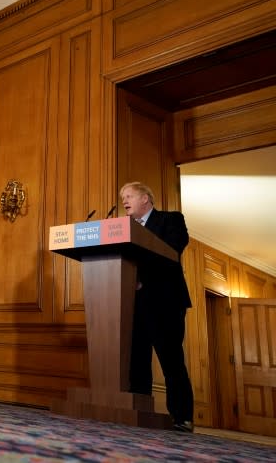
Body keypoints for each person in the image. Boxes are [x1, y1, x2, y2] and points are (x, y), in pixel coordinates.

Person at [120, 181, 194, 432]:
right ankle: (140, 412)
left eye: (129, 195)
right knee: (137, 359)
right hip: (134, 302)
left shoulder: (171, 219)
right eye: (122, 198)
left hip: (165, 301)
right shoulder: (124, 228)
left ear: (145, 198)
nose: (124, 201)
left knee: (171, 358)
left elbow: (173, 249)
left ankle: (182, 417)